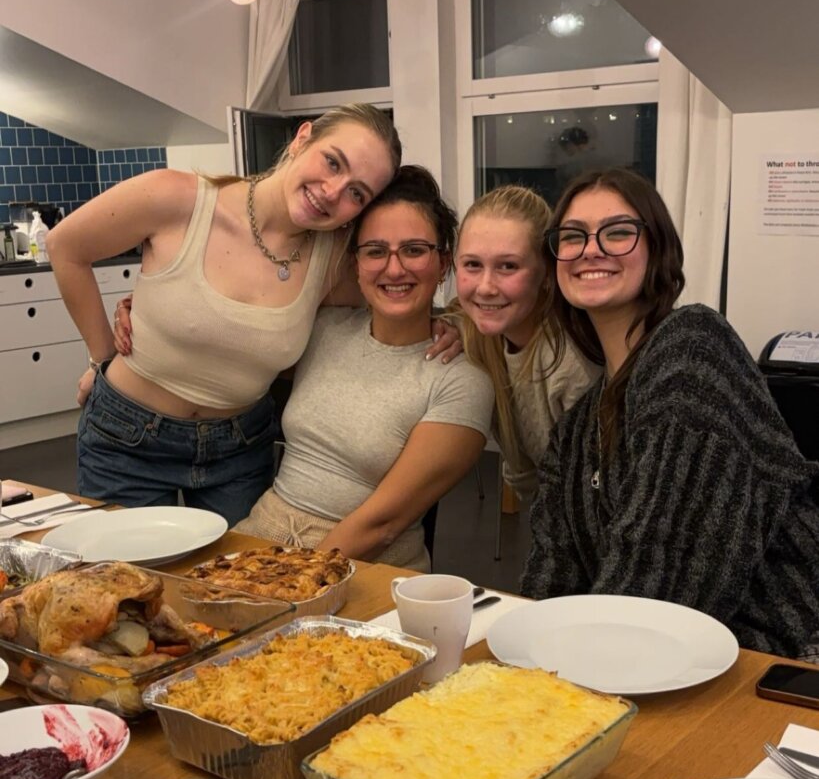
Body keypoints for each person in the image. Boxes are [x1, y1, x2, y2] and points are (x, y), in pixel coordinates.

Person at [47, 105, 408, 524]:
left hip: (239, 450)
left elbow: (404, 292)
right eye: (332, 162)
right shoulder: (177, 198)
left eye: (357, 193)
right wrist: (101, 355)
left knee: (236, 587)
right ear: (302, 137)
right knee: (125, 584)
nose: (332, 191)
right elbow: (65, 248)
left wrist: (450, 327)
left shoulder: (334, 261)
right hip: (127, 439)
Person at [522, 167, 819, 658]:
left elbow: (665, 573)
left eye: (618, 232)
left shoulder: (693, 348)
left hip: (782, 665)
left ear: (657, 249)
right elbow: (550, 572)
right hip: (669, 658)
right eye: (572, 236)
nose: (591, 249)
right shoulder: (577, 427)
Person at [234, 166, 495, 571]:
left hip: (364, 566)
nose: (394, 269)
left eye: (413, 250)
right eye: (375, 251)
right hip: (259, 537)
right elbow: (232, 335)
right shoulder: (323, 329)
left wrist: (288, 581)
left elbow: (383, 525)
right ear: (355, 264)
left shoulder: (461, 380)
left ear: (443, 263)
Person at [454, 185, 599, 501]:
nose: (486, 287)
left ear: (546, 273)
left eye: (508, 266)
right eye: (472, 265)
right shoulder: (478, 335)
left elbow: (594, 500)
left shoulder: (570, 365)